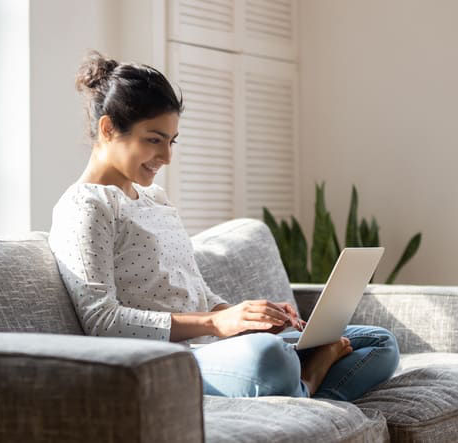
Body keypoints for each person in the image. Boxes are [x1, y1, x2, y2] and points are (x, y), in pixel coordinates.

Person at [47, 50, 400, 401]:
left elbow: (198, 294)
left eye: (171, 142)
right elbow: (103, 322)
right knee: (270, 358)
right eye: (154, 139)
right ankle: (308, 380)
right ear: (109, 129)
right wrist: (216, 324)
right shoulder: (85, 206)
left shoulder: (156, 200)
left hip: (216, 350)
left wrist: (246, 316)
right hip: (166, 361)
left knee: (379, 343)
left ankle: (304, 397)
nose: (167, 157)